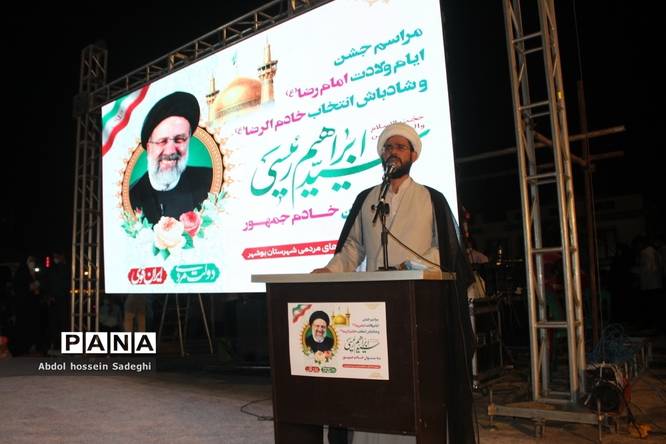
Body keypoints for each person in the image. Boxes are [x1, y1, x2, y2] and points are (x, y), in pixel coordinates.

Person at [313, 122, 476, 444]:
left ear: (413, 155)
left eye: (400, 147)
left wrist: (411, 267)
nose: (393, 152)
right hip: (373, 310)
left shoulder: (431, 198)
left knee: (413, 377)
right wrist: (330, 270)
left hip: (418, 305)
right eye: (388, 147)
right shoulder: (368, 199)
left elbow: (445, 248)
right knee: (374, 379)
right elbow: (354, 248)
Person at [129, 91, 211, 225]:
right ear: (149, 147)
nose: (171, 150)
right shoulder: (131, 197)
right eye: (162, 141)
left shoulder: (208, 180)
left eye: (180, 140)